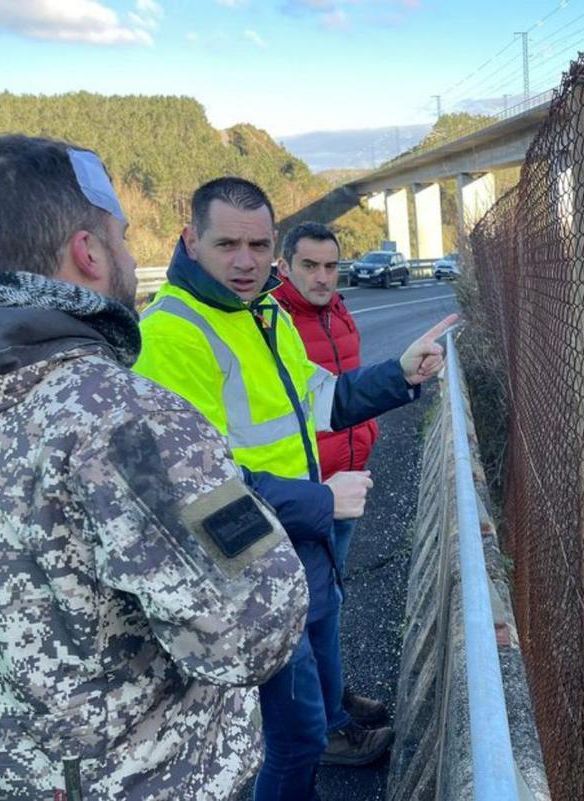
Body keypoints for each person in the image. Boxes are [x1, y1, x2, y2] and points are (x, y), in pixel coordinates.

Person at [0, 135, 309, 801]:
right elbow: (255, 626)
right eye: (119, 234)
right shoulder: (124, 419)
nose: (126, 252)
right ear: (89, 252)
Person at [133, 177, 454, 801]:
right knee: (296, 736)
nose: (246, 260)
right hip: (250, 563)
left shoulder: (263, 310)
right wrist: (323, 502)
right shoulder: (172, 335)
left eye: (258, 243)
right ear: (189, 240)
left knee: (303, 723)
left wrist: (399, 374)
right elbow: (191, 490)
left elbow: (319, 397)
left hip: (300, 544)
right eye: (227, 244)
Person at [273, 222, 389, 756]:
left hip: (347, 480)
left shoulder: (339, 311)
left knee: (332, 602)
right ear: (286, 265)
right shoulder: (272, 320)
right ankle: (327, 728)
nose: (322, 277)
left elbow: (347, 389)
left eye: (330, 265)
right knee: (313, 610)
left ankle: (333, 696)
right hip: (307, 494)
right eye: (309, 266)